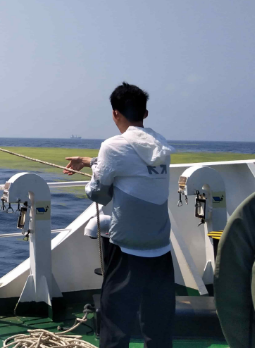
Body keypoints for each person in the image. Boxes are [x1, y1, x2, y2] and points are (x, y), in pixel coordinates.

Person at [64, 82, 175, 348]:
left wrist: (92, 176)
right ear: (145, 114)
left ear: (115, 113)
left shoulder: (112, 146)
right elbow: (131, 164)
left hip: (128, 251)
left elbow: (99, 194)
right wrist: (89, 160)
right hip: (161, 249)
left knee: (116, 325)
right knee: (158, 325)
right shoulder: (162, 145)